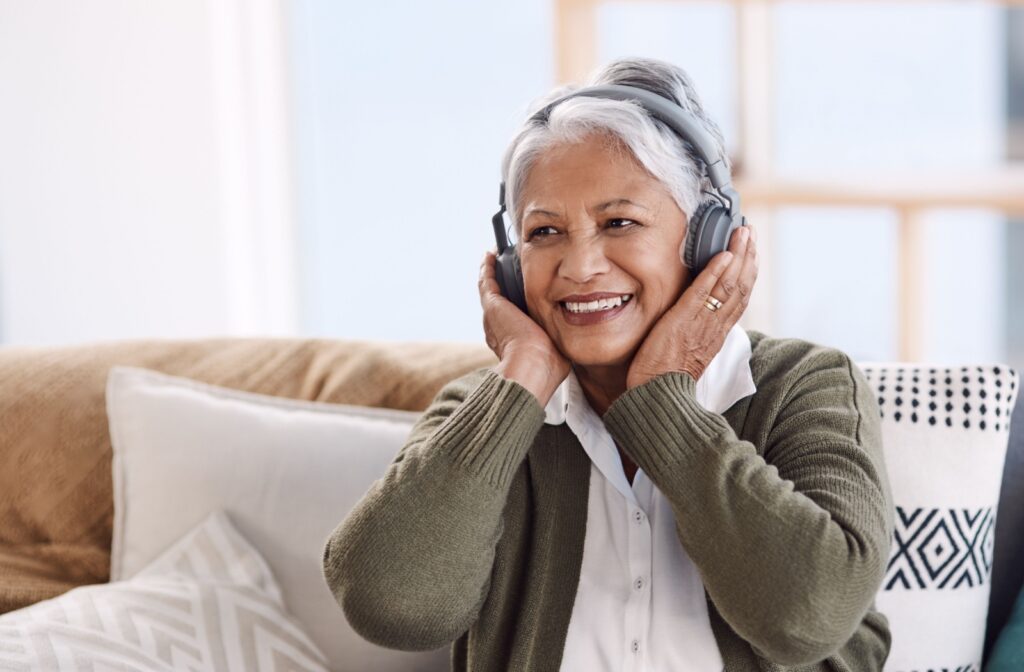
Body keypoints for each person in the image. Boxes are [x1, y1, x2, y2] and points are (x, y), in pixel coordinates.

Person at [322, 56, 895, 672]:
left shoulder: (804, 386)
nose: (580, 266)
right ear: (512, 267)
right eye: (544, 233)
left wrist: (662, 402)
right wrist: (521, 378)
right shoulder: (483, 410)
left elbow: (808, 616)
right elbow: (392, 608)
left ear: (708, 240)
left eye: (619, 222)